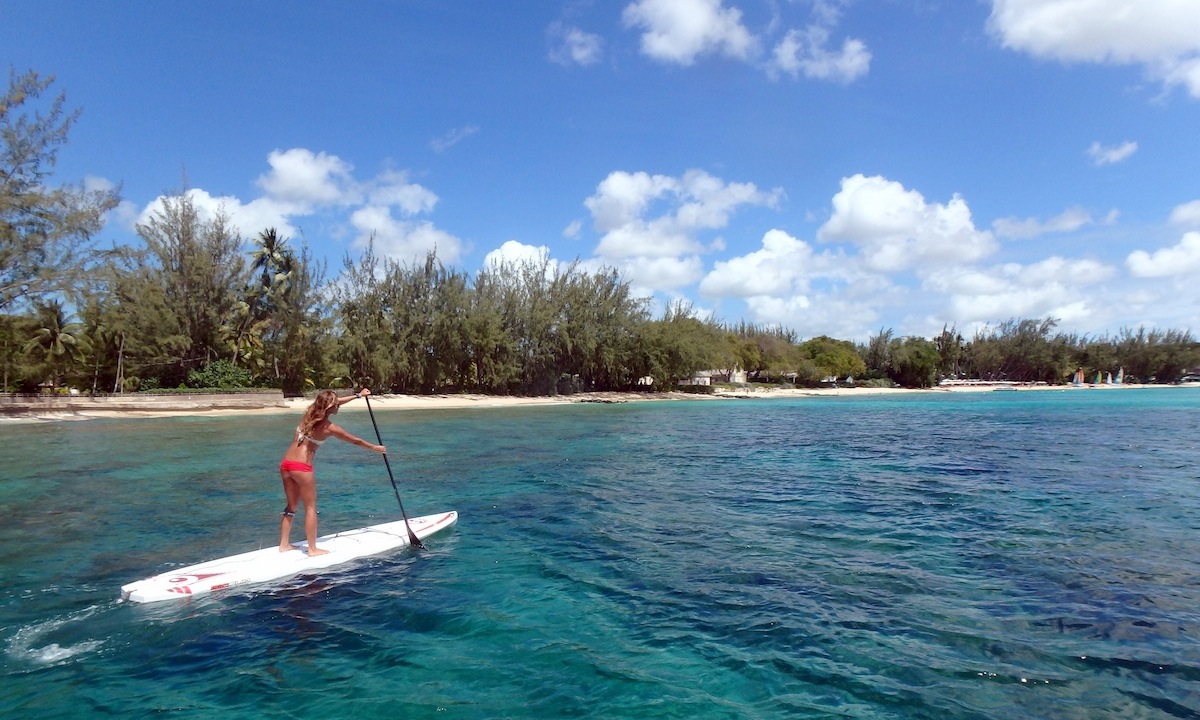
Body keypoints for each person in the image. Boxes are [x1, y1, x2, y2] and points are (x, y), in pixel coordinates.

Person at [279, 388, 386, 555]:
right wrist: (374, 448)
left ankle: (284, 544)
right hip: (301, 467)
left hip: (286, 464)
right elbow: (355, 441)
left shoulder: (309, 413)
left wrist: (358, 396)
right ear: (330, 407)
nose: (339, 406)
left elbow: (332, 402)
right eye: (337, 404)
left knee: (291, 506)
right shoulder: (330, 427)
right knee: (310, 508)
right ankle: (312, 549)